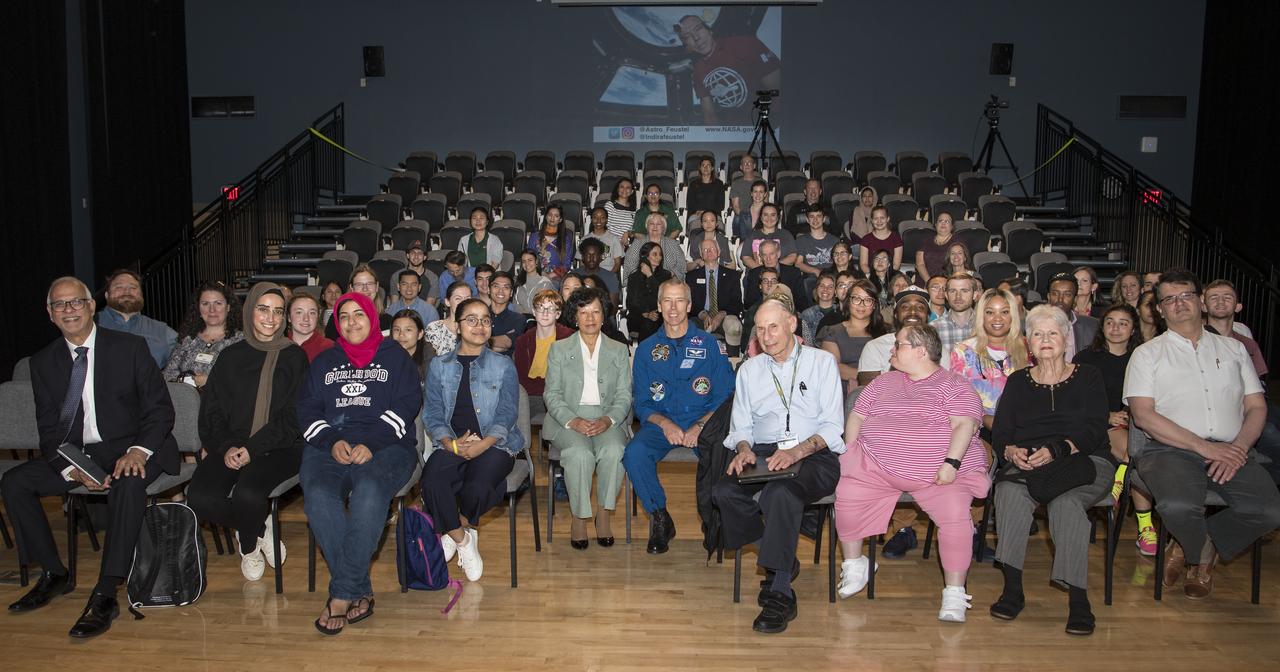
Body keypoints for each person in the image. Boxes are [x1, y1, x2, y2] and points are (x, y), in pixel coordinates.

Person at [3, 277, 178, 637]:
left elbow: (160, 411)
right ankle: (54, 573)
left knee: (128, 484)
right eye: (60, 305)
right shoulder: (42, 362)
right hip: (81, 454)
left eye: (76, 302)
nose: (69, 310)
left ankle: (105, 591)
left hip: (137, 444)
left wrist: (136, 451)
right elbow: (50, 431)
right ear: (50, 314)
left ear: (91, 305)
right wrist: (73, 469)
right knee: (15, 481)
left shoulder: (129, 348)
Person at [1124, 269, 1280, 600]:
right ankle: (1200, 557)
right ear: (1160, 310)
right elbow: (1143, 416)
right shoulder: (1147, 354)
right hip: (1169, 451)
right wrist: (1202, 448)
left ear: (1200, 302)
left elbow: (1256, 408)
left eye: (1186, 296)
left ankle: (1194, 548)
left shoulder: (1235, 350)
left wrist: (1238, 447)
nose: (1179, 304)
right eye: (1170, 299)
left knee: (1271, 511)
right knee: (1179, 506)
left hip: (1231, 449)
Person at [834, 324, 989, 620]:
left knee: (956, 515)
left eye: (899, 345)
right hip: (876, 467)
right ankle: (855, 565)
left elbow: (964, 426)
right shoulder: (884, 382)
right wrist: (852, 450)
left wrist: (950, 464)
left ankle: (955, 593)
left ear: (920, 351)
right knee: (847, 492)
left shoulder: (955, 384)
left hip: (939, 473)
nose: (892, 350)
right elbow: (857, 414)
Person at [714, 292, 843, 634]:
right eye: (760, 329)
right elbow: (740, 425)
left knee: (780, 495)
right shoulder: (750, 370)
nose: (766, 335)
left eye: (773, 327)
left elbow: (832, 426)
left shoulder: (821, 363)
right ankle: (780, 553)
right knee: (724, 492)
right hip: (764, 451)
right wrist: (743, 448)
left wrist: (797, 451)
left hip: (814, 453)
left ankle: (779, 591)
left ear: (792, 324)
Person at [297, 291, 422, 635]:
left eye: (359, 315)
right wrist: (330, 440)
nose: (352, 322)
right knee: (319, 494)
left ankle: (341, 594)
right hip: (329, 445)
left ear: (372, 318)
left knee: (368, 491)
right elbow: (306, 410)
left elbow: (408, 403)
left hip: (387, 445)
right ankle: (358, 588)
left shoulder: (395, 357)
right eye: (345, 316)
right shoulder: (324, 361)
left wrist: (371, 442)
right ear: (337, 322)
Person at [989, 304, 1113, 636]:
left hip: (1083, 462)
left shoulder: (1088, 376)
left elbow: (1095, 428)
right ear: (1029, 342)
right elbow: (1001, 431)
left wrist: (1057, 449)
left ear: (1066, 338)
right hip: (1030, 465)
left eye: (1052, 333)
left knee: (1065, 503)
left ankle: (1079, 600)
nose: (1045, 339)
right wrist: (1011, 451)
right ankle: (1013, 590)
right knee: (1007, 491)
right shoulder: (1018, 382)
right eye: (1037, 334)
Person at [188, 282, 308, 582]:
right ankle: (258, 527)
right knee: (200, 498)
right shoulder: (230, 357)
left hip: (280, 446)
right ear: (249, 311)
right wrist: (228, 446)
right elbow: (211, 413)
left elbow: (294, 417)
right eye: (263, 309)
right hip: (232, 443)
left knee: (249, 493)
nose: (271, 318)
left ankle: (248, 544)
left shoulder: (294, 357)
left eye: (278, 311)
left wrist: (252, 449)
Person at [623, 279, 734, 553]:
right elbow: (643, 402)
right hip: (661, 423)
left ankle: (714, 522)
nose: (673, 308)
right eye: (667, 301)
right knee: (633, 454)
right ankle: (660, 518)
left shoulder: (710, 346)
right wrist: (666, 424)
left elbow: (725, 395)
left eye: (679, 301)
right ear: (659, 306)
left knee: (723, 451)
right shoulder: (646, 350)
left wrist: (700, 425)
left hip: (703, 420)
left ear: (690, 305)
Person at [420, 298, 524, 582]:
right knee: (431, 481)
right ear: (457, 325)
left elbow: (507, 414)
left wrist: (483, 444)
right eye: (471, 319)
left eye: (485, 320)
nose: (479, 326)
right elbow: (432, 413)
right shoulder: (439, 366)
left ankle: (454, 527)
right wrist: (450, 443)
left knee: (477, 486)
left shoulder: (503, 366)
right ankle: (463, 538)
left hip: (495, 443)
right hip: (453, 442)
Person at [543, 288, 633, 549]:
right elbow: (552, 394)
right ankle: (579, 518)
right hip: (568, 420)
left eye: (596, 312)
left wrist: (608, 420)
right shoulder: (559, 349)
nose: (590, 318)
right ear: (575, 317)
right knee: (579, 455)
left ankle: (603, 514)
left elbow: (624, 395)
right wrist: (573, 421)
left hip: (608, 419)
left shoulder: (618, 349)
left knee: (615, 450)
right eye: (584, 313)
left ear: (604, 316)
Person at [1072, 303, 1155, 554]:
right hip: (1097, 425)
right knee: (1136, 454)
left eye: (1123, 323)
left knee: (1142, 453)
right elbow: (1073, 400)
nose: (1115, 328)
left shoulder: (1144, 358)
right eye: (1110, 321)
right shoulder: (1085, 358)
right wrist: (1106, 415)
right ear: (1102, 326)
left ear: (1133, 330)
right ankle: (1145, 524)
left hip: (1137, 424)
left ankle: (1120, 480)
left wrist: (1134, 415)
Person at [675, 14, 780, 126]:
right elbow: (709, 115)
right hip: (735, 134)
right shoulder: (698, 71)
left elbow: (778, 90)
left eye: (698, 29)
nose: (696, 38)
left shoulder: (746, 44)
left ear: (710, 30)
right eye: (688, 37)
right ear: (687, 47)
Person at [950, 288, 1030, 432]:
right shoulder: (964, 351)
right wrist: (983, 418)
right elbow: (957, 399)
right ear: (981, 316)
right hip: (979, 429)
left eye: (1004, 312)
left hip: (1025, 426)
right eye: (990, 312)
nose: (997, 318)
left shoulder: (1028, 348)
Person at [161, 280, 244, 387]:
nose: (212, 310)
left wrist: (212, 381)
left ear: (228, 307)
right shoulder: (187, 340)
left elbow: (244, 379)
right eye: (205, 304)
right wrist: (184, 382)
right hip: (186, 401)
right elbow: (167, 375)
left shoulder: (241, 341)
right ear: (198, 309)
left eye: (218, 303)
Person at [95, 268, 177, 368]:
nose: (126, 291)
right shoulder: (90, 325)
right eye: (119, 287)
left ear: (141, 295)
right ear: (107, 295)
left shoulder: (162, 331)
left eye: (133, 288)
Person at [820, 279, 886, 394]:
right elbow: (833, 367)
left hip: (882, 393)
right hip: (843, 392)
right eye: (856, 299)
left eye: (868, 300)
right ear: (848, 301)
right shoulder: (832, 332)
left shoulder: (887, 332)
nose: (861, 304)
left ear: (874, 305)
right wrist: (872, 378)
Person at [687, 236, 744, 355]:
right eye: (705, 249)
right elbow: (689, 302)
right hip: (700, 317)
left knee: (734, 326)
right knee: (688, 327)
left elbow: (737, 302)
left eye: (712, 248)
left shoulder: (732, 275)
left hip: (725, 315)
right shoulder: (691, 276)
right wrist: (702, 314)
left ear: (719, 252)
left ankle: (732, 363)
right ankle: (694, 365)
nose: (709, 251)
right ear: (701, 255)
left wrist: (721, 314)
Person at [514, 289, 572, 403]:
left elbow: (568, 378)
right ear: (534, 312)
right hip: (528, 396)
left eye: (551, 309)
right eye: (540, 308)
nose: (545, 313)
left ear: (558, 314)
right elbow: (520, 378)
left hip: (559, 396)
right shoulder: (523, 341)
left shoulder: (569, 338)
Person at [1204, 279, 1267, 374]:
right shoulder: (1193, 341)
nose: (1220, 302)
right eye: (1214, 298)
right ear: (1204, 307)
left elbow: (1258, 383)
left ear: (1238, 307)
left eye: (1227, 298)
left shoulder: (1248, 345)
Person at [324, 265, 394, 340]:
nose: (365, 289)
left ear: (376, 287)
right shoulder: (338, 318)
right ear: (352, 288)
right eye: (359, 284)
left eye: (370, 283)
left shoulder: (388, 320)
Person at [1044, 272, 1099, 360]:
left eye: (1067, 294)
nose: (1060, 299)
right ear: (1048, 297)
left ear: (1075, 299)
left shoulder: (1092, 326)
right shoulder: (1035, 325)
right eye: (1055, 294)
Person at [743, 239, 809, 312]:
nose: (768, 259)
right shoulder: (754, 274)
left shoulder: (793, 273)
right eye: (764, 255)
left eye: (771, 254)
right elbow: (749, 302)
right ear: (760, 256)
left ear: (778, 254)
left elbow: (801, 301)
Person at [626, 242, 672, 343]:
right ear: (645, 256)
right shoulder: (634, 277)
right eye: (654, 254)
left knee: (653, 321)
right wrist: (646, 313)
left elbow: (662, 297)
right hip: (638, 316)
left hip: (659, 315)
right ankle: (646, 354)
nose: (659, 257)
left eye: (660, 254)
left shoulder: (666, 275)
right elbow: (631, 303)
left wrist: (650, 276)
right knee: (648, 322)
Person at [622, 212, 689, 279]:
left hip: (668, 283)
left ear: (663, 227)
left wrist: (672, 274)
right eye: (651, 224)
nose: (655, 226)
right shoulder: (637, 243)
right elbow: (630, 265)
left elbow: (681, 266)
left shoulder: (673, 244)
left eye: (658, 224)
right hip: (643, 283)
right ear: (647, 226)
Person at [932, 273, 980, 356]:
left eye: (964, 291)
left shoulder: (985, 326)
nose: (958, 296)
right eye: (953, 291)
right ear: (946, 295)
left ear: (975, 295)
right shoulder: (933, 329)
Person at [741, 203, 798, 269]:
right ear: (761, 217)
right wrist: (762, 271)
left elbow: (793, 256)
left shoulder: (786, 234)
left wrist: (775, 268)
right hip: (757, 273)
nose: (769, 218)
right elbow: (746, 257)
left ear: (778, 217)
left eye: (773, 215)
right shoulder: (752, 235)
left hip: (781, 273)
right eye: (765, 215)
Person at [487, 271, 530, 357]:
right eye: (496, 286)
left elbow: (507, 342)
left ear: (511, 293)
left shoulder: (519, 319)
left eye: (506, 287)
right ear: (488, 290)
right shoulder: (479, 315)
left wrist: (477, 342)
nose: (500, 291)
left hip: (505, 367)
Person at [528, 204, 574, 281]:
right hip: (536, 275)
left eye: (556, 216)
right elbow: (528, 258)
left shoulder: (565, 240)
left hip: (556, 277)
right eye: (550, 215)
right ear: (546, 217)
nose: (552, 218)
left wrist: (549, 276)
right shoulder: (534, 236)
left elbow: (566, 265)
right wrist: (539, 275)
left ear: (560, 219)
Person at [425, 281, 473, 356]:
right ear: (447, 302)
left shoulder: (477, 328)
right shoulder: (435, 328)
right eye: (458, 299)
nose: (463, 303)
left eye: (467, 299)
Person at [794, 203, 837, 283]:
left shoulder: (834, 240)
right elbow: (798, 263)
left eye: (819, 216)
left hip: (831, 278)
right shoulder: (801, 240)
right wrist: (815, 271)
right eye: (812, 216)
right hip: (811, 279)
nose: (815, 219)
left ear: (824, 219)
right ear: (807, 220)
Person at [288, 292, 335, 362]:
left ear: (318, 316)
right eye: (299, 312)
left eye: (312, 313)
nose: (306, 318)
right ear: (289, 317)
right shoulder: (279, 346)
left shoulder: (330, 348)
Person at [858, 206, 903, 274]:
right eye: (876, 218)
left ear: (888, 219)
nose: (879, 221)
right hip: (871, 275)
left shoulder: (896, 238)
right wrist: (875, 276)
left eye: (882, 218)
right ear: (872, 220)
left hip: (890, 275)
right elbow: (863, 265)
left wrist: (884, 276)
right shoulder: (866, 239)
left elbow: (896, 265)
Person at [390, 309, 433, 380]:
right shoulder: (384, 355)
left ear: (420, 334)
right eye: (396, 330)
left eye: (408, 330)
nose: (401, 335)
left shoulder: (429, 358)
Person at [915, 212, 957, 283]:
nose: (943, 223)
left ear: (952, 226)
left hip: (948, 283)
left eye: (947, 221)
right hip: (924, 282)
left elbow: (959, 265)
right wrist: (930, 283)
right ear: (936, 224)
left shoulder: (957, 242)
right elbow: (919, 264)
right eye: (940, 221)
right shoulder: (925, 241)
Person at [799, 272, 839, 345]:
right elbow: (808, 344)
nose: (825, 289)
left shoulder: (841, 312)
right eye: (822, 286)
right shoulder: (807, 314)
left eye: (830, 287)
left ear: (835, 292)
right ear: (817, 289)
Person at [577, 238, 620, 305]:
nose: (591, 259)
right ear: (583, 257)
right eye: (588, 255)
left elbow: (613, 306)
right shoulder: (575, 275)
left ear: (600, 257)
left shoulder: (610, 277)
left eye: (595, 255)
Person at [583, 206, 625, 274]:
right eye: (595, 217)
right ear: (591, 219)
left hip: (608, 274)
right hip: (589, 275)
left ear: (606, 220)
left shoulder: (614, 239)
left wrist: (609, 276)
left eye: (602, 218)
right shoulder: (585, 239)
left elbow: (617, 263)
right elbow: (582, 263)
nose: (598, 221)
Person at [514, 249, 555, 315]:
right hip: (520, 318)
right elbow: (515, 304)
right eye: (524, 261)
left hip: (539, 319)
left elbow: (546, 307)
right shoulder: (519, 281)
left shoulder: (545, 283)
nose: (527, 264)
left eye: (530, 260)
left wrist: (529, 315)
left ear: (536, 262)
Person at [403, 240, 439, 307]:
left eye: (420, 253)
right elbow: (394, 303)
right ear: (408, 255)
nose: (416, 256)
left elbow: (429, 306)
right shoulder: (397, 275)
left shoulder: (432, 278)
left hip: (423, 314)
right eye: (413, 253)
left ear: (424, 257)